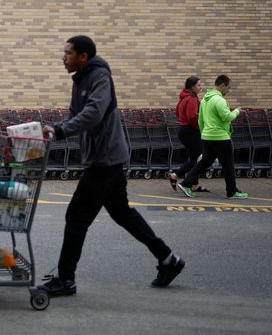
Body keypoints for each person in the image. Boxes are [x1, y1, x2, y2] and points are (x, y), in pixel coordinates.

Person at [37, 35, 184, 297]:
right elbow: (75, 113)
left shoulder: (100, 77)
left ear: (83, 57)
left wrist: (60, 131)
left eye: (68, 53)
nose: (64, 57)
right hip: (104, 158)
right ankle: (168, 258)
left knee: (76, 218)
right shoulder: (81, 78)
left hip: (105, 160)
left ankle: (65, 279)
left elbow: (93, 114)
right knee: (121, 213)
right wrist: (57, 127)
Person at [177, 75, 248, 199]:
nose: (228, 90)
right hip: (220, 137)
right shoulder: (219, 100)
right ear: (222, 85)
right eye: (228, 87)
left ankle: (186, 183)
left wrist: (204, 133)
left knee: (204, 162)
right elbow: (227, 117)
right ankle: (232, 191)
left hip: (207, 137)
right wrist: (236, 111)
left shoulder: (205, 99)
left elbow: (200, 119)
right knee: (228, 164)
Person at [168, 76, 210, 193]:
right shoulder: (191, 99)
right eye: (198, 85)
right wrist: (200, 128)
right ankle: (176, 175)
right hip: (190, 130)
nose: (200, 88)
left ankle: (194, 185)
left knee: (194, 158)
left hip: (184, 130)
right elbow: (192, 117)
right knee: (200, 159)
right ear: (192, 87)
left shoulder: (184, 98)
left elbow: (177, 112)